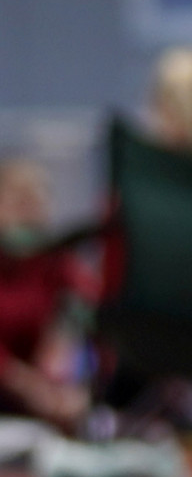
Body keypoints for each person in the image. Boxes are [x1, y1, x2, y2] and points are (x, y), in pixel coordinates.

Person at [0, 157, 89, 430]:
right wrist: (26, 384)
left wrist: (73, 371)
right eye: (19, 201)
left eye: (37, 202)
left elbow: (99, 312)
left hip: (45, 405)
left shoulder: (57, 261)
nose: (29, 212)